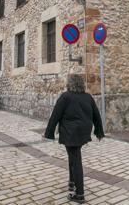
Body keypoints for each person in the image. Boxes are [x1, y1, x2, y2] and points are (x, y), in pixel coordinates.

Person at [44, 74, 104, 204]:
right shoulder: (88, 97)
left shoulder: (66, 96)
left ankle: (80, 194)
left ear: (69, 84)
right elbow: (97, 115)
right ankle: (72, 183)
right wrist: (99, 131)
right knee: (73, 157)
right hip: (82, 132)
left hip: (70, 133)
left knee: (75, 160)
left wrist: (49, 133)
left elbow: (55, 115)